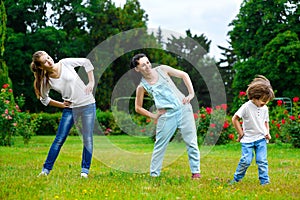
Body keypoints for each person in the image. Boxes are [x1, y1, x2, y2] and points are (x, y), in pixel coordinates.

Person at [130, 53, 200, 179]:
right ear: (137, 69)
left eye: (147, 62)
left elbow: (184, 74)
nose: (147, 66)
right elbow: (138, 107)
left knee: (192, 142)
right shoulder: (142, 86)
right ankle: (154, 175)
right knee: (160, 145)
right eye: (143, 65)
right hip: (167, 116)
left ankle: (196, 173)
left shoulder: (162, 70)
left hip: (184, 109)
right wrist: (154, 115)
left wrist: (191, 94)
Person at [30, 51, 96, 178]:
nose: (49, 61)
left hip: (88, 104)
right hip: (70, 109)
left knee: (87, 139)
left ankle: (84, 171)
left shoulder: (65, 63)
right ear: (40, 67)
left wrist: (91, 82)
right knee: (59, 139)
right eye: (45, 61)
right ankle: (45, 171)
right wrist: (61, 105)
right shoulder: (46, 80)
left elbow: (86, 62)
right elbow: (44, 99)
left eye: (48, 57)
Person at [230, 75, 275, 185]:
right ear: (255, 96)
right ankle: (236, 179)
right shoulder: (246, 106)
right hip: (247, 140)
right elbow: (235, 119)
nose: (265, 103)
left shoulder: (264, 108)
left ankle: (265, 182)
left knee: (262, 161)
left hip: (261, 139)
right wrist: (241, 133)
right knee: (246, 160)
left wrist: (267, 132)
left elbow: (265, 121)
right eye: (263, 100)